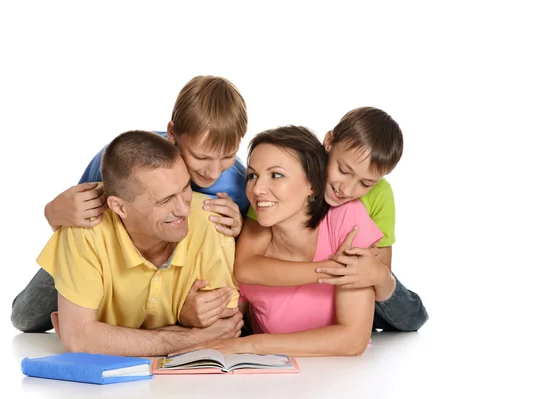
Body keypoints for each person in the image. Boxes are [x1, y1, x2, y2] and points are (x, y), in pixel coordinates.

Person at [11, 75, 249, 332]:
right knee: (25, 317)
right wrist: (52, 213)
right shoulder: (120, 161)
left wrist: (241, 227)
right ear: (172, 134)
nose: (214, 171)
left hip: (178, 269)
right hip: (111, 261)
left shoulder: (236, 185)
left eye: (228, 155)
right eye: (201, 157)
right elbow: (78, 229)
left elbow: (242, 253)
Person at [177, 126, 383, 357]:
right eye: (252, 176)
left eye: (276, 175)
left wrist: (253, 345)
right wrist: (186, 315)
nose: (257, 189)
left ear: (313, 184)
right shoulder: (247, 249)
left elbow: (353, 340)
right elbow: (223, 326)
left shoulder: (346, 219)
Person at [37, 130, 244, 357]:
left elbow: (225, 327)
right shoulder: (84, 226)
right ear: (120, 207)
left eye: (186, 188)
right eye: (165, 200)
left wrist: (104, 337)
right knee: (25, 314)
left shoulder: (213, 219)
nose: (185, 210)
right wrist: (189, 336)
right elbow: (78, 340)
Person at [234, 107, 428, 332]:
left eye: (365, 183)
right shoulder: (298, 174)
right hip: (319, 281)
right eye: (343, 170)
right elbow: (249, 261)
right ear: (328, 142)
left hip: (357, 285)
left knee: (406, 311)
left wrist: (378, 274)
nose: (346, 189)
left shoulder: (380, 195)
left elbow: (374, 272)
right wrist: (331, 269)